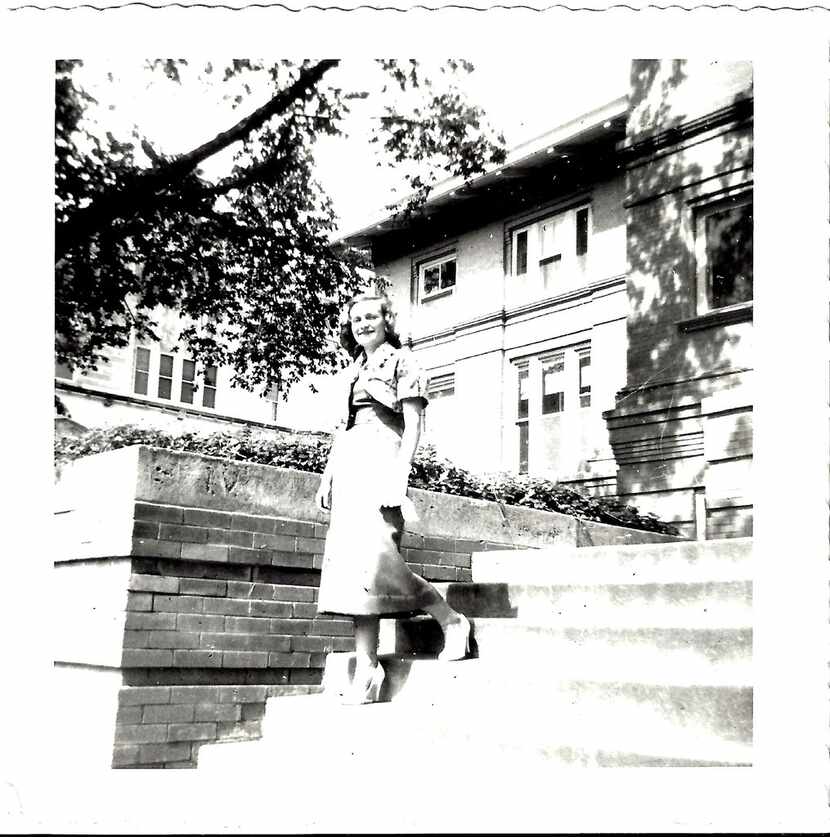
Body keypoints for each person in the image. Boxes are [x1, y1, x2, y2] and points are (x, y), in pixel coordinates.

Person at [314, 291, 471, 705]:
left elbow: (414, 424)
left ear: (386, 320)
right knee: (352, 568)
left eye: (370, 316)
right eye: (355, 320)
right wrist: (328, 475)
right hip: (350, 463)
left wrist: (400, 475)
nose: (362, 324)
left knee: (380, 559)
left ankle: (450, 618)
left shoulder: (403, 361)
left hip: (384, 460)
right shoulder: (351, 371)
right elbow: (342, 429)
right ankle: (366, 667)